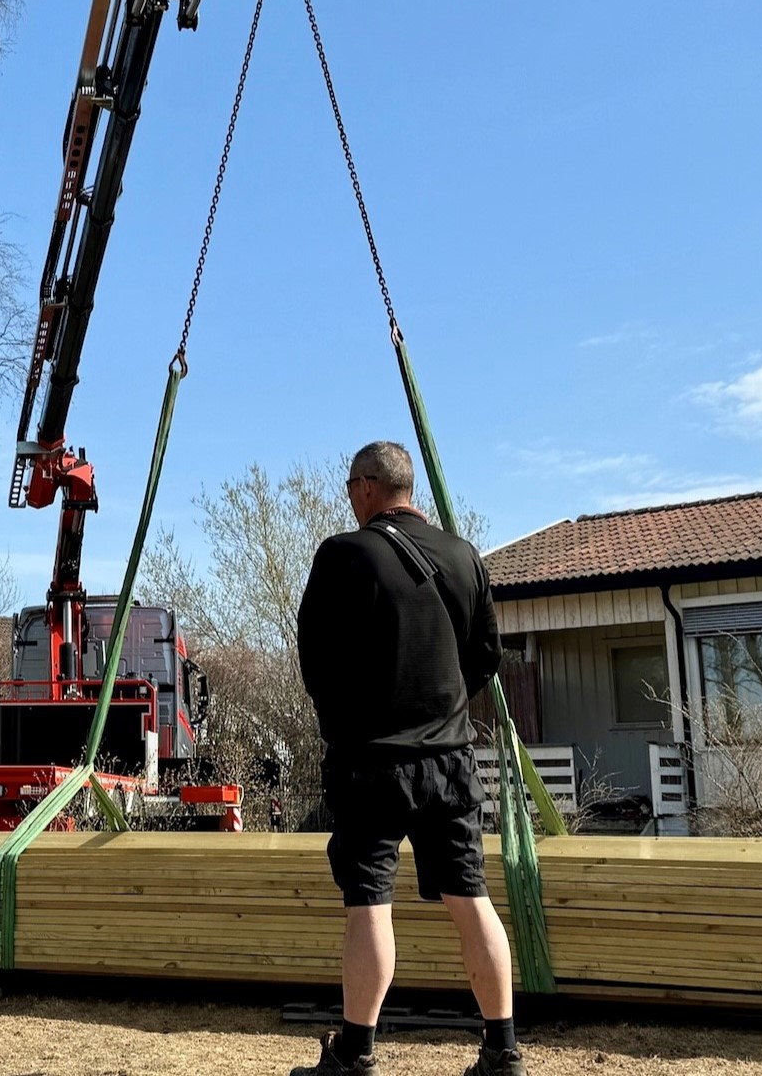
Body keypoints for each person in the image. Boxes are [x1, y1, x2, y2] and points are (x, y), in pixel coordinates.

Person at [290, 441, 523, 1076]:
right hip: (450, 760)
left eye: (349, 483)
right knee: (471, 898)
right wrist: (441, 711)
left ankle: (355, 1054)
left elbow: (317, 660)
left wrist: (350, 724)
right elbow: (484, 658)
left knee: (368, 903)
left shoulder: (344, 554)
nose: (348, 494)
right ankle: (502, 1051)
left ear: (368, 487)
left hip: (371, 761)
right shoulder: (465, 556)